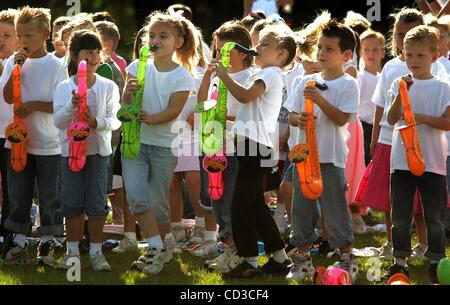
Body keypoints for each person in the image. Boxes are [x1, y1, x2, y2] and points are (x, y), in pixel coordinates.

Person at [210, 25, 296, 278]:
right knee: (256, 205)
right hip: (250, 145)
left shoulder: (270, 73)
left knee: (240, 206)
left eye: (264, 45)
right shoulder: (264, 72)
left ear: (281, 54)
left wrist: (224, 76)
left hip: (254, 147)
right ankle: (279, 258)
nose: (257, 48)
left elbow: (247, 97)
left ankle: (249, 259)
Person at [122, 11, 197, 276]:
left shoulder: (182, 77)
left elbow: (175, 110)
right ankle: (155, 247)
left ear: (177, 42)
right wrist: (127, 94)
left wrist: (152, 118)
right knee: (136, 196)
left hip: (165, 146)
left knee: (157, 201)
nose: (155, 40)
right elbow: (125, 105)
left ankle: (163, 245)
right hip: (134, 142)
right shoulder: (135, 67)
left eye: (162, 36)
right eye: (151, 35)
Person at [285, 20, 360, 282]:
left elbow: (342, 119)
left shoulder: (348, 84)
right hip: (303, 158)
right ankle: (302, 257)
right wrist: (298, 120)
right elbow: (291, 114)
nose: (322, 54)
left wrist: (320, 101)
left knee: (335, 207)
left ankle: (346, 256)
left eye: (329, 49)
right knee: (301, 208)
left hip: (331, 157)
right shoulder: (305, 80)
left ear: (346, 55)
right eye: (320, 48)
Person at [0, 6, 67, 265]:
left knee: (49, 196)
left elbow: (60, 105)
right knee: (18, 193)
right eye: (20, 35)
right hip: (19, 143)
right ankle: (17, 239)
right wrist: (16, 68)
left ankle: (47, 241)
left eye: (28, 36)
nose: (23, 41)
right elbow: (7, 97)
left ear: (45, 34)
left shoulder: (56, 66)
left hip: (49, 144)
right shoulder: (14, 62)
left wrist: (36, 104)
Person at [385, 25, 450, 284]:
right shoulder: (399, 83)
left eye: (420, 56)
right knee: (400, 216)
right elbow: (391, 119)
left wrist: (420, 118)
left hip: (433, 162)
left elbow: (447, 123)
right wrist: (401, 95)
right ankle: (399, 261)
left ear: (434, 57)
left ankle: (436, 261)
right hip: (401, 161)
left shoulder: (443, 87)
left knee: (434, 217)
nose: (414, 61)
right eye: (409, 55)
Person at [54, 29, 121, 271]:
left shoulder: (108, 86)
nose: (92, 57)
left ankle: (95, 251)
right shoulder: (64, 87)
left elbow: (115, 120)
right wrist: (71, 107)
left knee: (96, 203)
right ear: (73, 55)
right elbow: (58, 123)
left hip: (98, 154)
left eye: (96, 52)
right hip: (70, 153)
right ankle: (71, 252)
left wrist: (96, 122)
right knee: (71, 202)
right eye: (86, 53)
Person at [0, 8, 18, 244]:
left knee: (12, 187)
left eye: (7, 35)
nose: (1, 39)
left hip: (11, 133)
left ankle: (8, 233)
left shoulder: (22, 63)